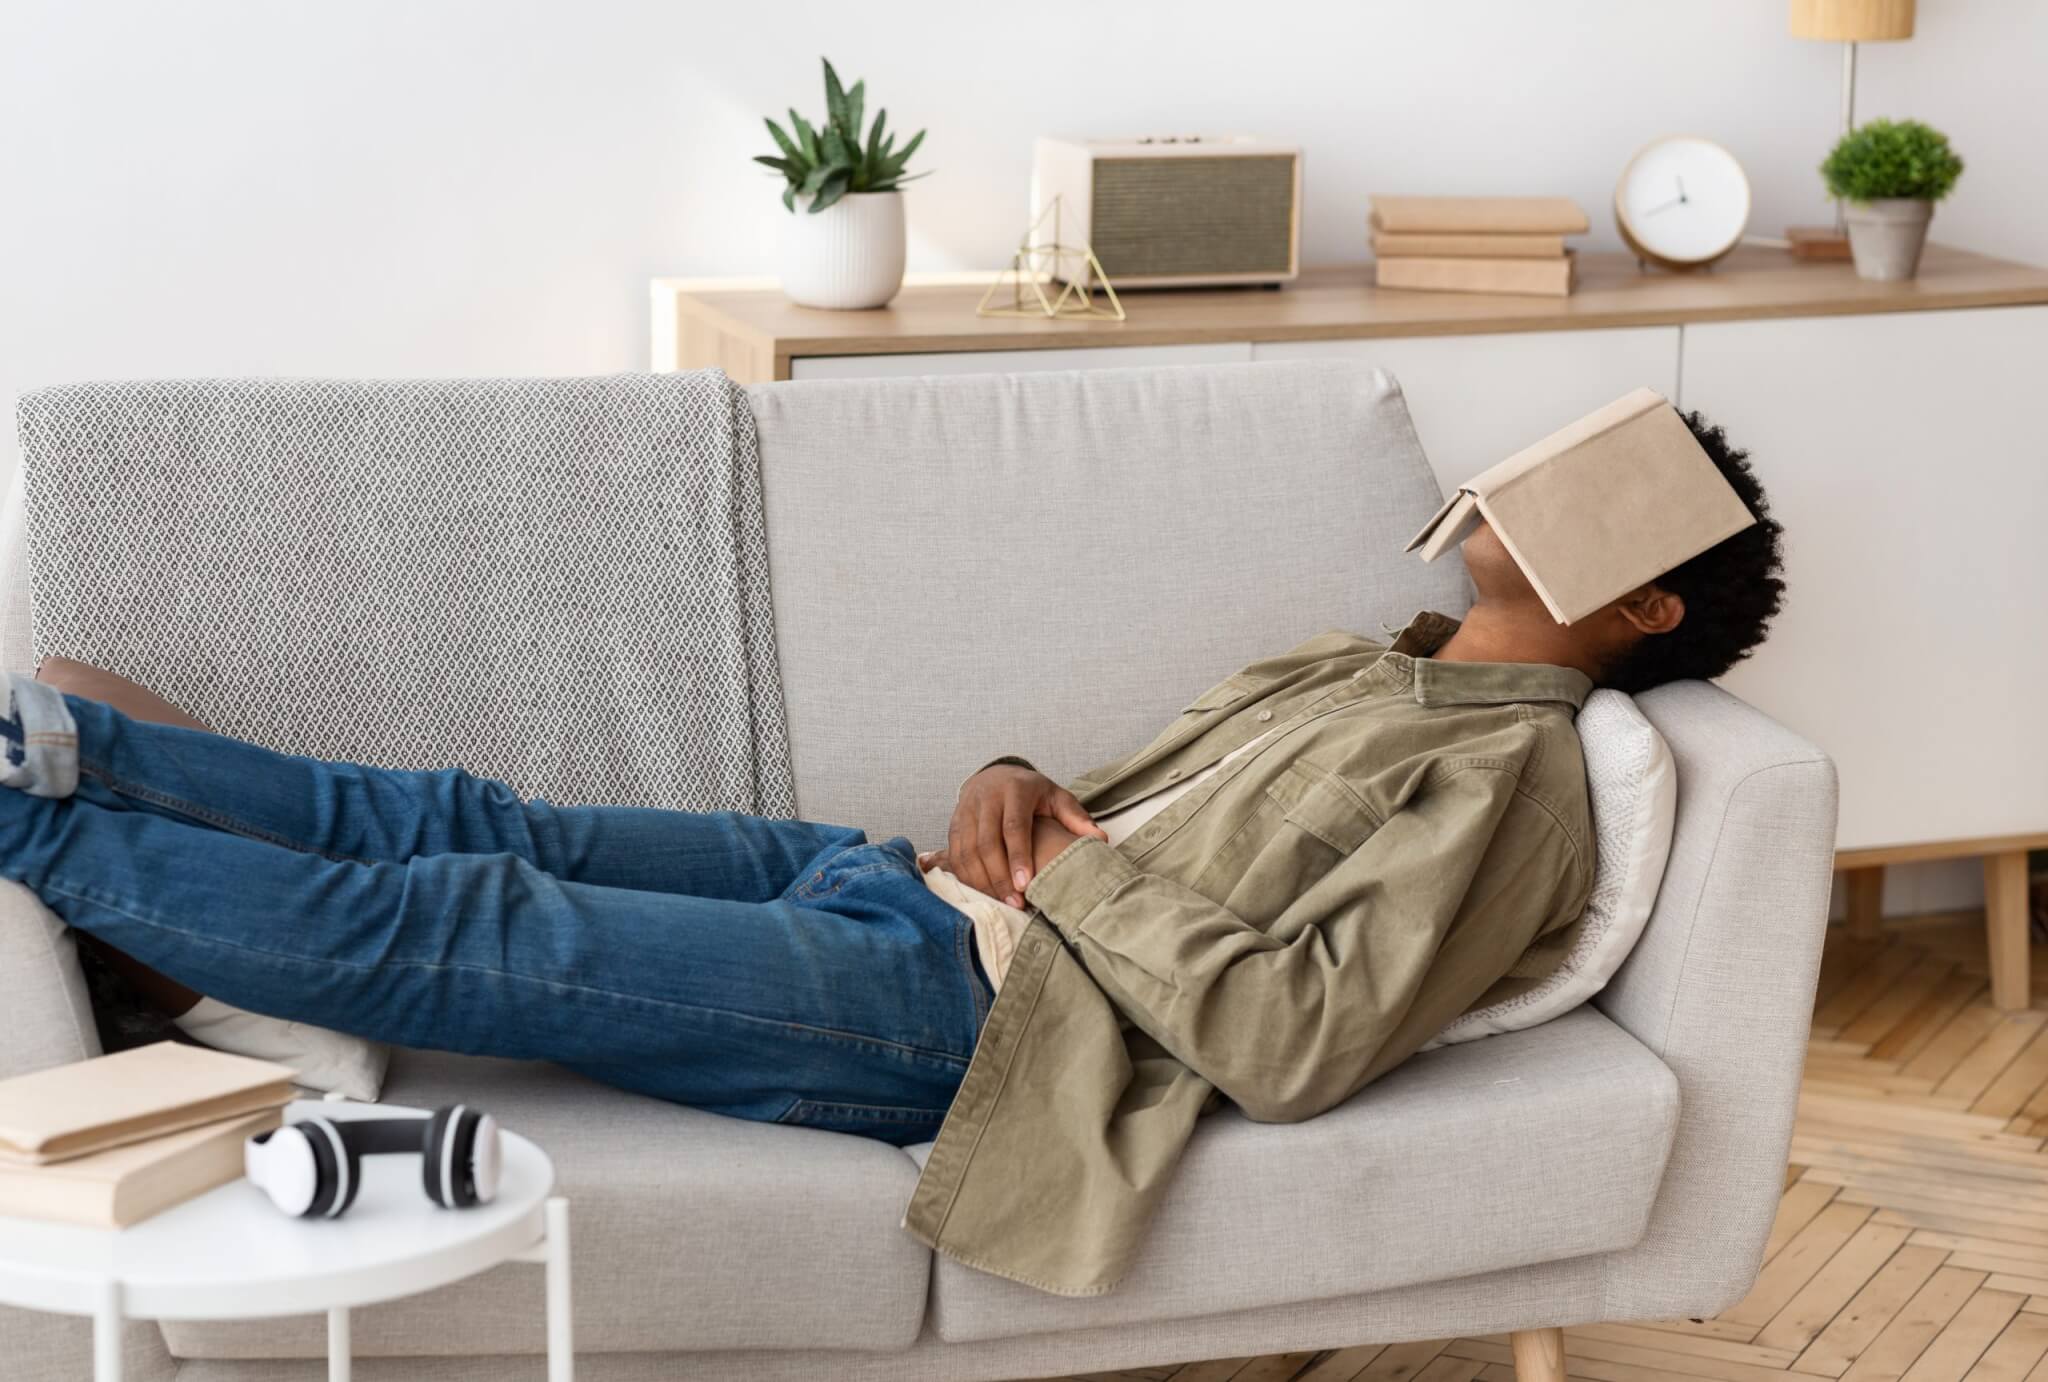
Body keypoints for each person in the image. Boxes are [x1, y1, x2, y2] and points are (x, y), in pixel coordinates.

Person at [0, 410, 1784, 1152]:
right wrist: (1014, 776)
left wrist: (1060, 881)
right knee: (476, 820)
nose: (1514, 482)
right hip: (886, 882)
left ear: (1640, 601)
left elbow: (1302, 1040)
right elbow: (1118, 809)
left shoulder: (1520, 787)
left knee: (482, 918)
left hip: (969, 1017)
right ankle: (47, 746)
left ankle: (23, 817)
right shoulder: (1360, 666)